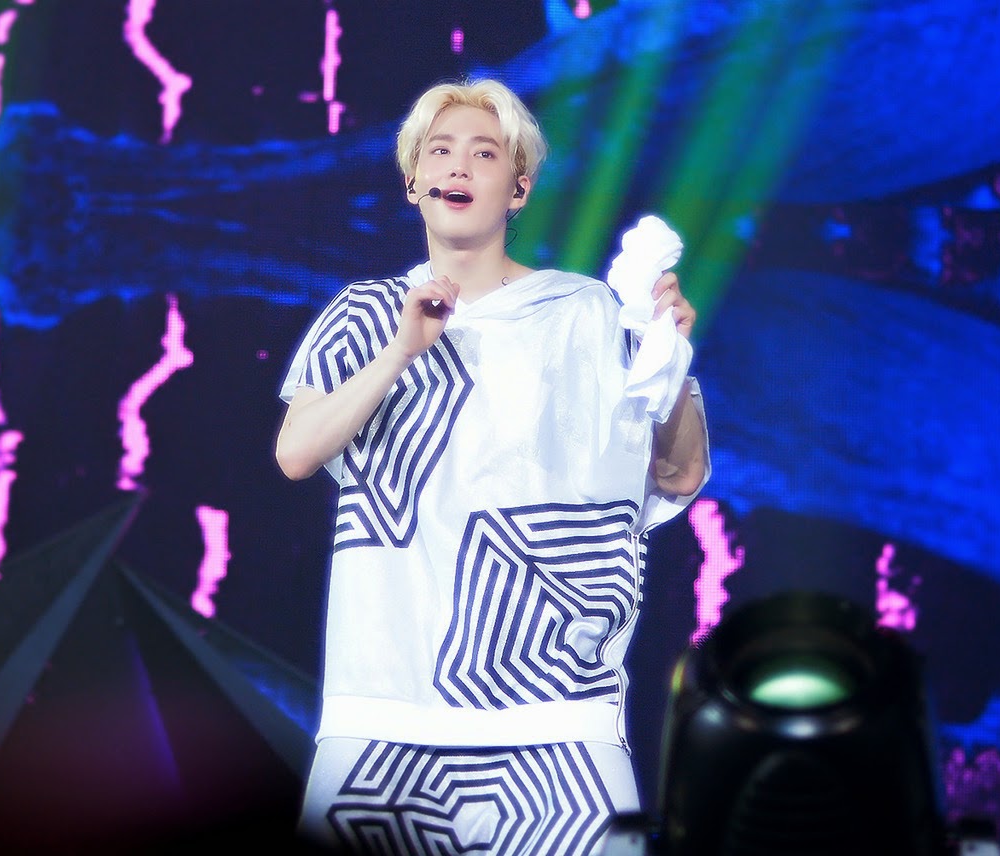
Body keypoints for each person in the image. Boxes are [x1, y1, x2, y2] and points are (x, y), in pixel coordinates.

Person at [275, 77, 710, 855]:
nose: (458, 166)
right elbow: (297, 451)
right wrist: (403, 349)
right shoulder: (365, 314)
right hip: (384, 716)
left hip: (559, 721)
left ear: (519, 188)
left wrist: (668, 359)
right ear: (413, 182)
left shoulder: (590, 313)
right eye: (439, 151)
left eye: (484, 154)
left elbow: (680, 474)